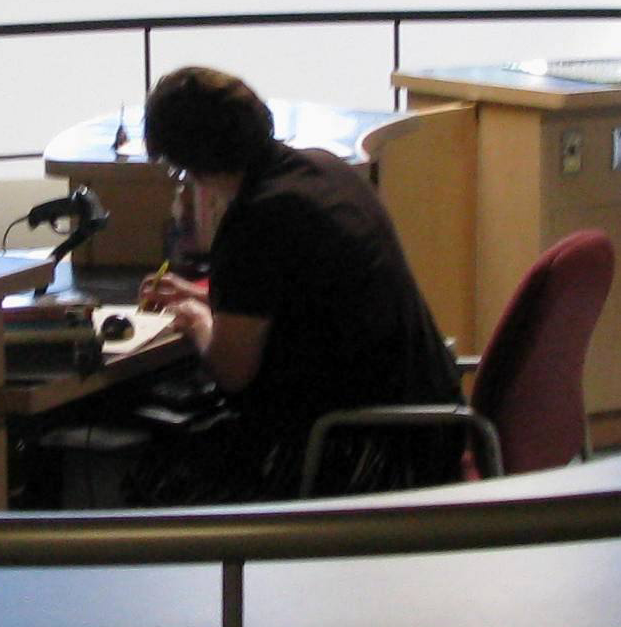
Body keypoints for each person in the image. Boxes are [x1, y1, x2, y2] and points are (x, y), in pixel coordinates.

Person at [134, 67, 466, 498]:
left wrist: (198, 318)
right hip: (429, 429)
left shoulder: (256, 219)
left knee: (158, 478)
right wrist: (212, 296)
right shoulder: (325, 170)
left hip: (358, 452)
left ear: (190, 164)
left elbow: (232, 372)